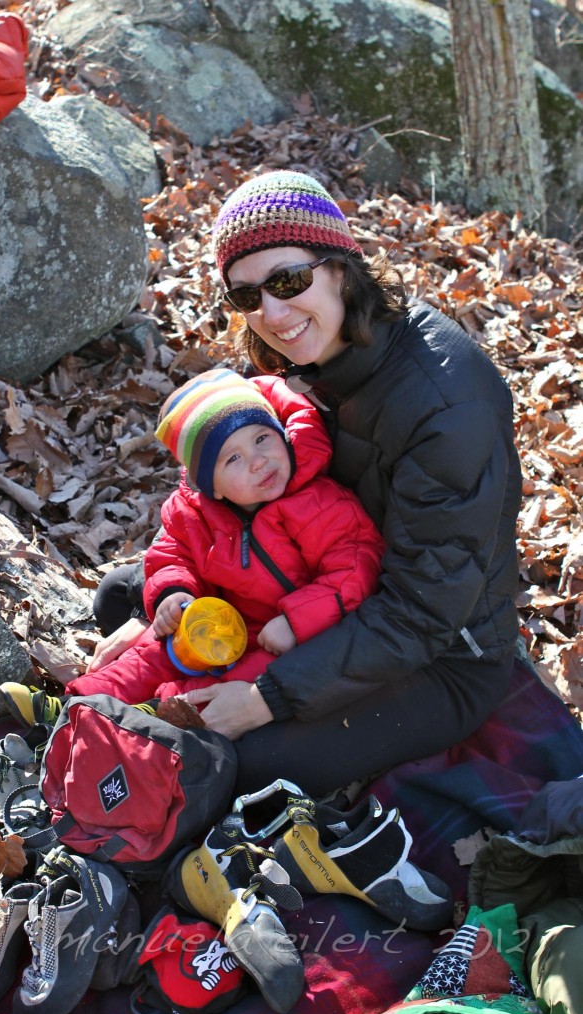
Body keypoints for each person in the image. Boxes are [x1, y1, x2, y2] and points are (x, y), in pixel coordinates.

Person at [83, 169, 524, 798]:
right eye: (246, 296)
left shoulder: (446, 405)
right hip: (301, 582)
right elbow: (216, 491)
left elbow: (421, 613)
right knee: (121, 596)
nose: (272, 313)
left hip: (439, 651)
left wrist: (267, 697)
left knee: (252, 762)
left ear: (342, 266)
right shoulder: (301, 358)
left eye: (289, 281)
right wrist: (168, 609)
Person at [1, 366, 384, 720]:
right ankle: (72, 706)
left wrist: (297, 622)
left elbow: (355, 567)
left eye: (263, 438)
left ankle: (156, 716)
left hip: (281, 638)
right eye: (232, 458)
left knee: (237, 682)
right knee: (150, 654)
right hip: (214, 619)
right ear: (209, 485)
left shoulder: (320, 502)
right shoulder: (194, 512)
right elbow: (171, 554)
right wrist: (174, 592)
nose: (258, 461)